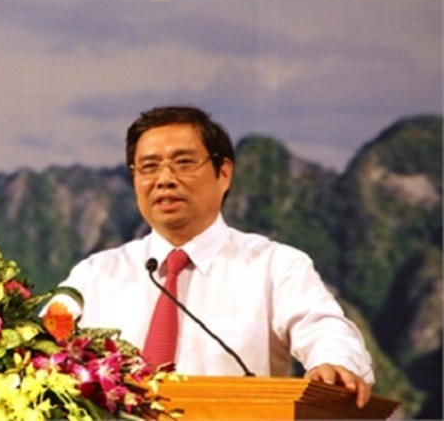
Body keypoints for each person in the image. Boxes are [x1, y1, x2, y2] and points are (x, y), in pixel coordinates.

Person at [52, 105, 374, 407]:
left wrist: (335, 363)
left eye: (184, 163)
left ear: (224, 173)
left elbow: (322, 327)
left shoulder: (275, 267)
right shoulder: (94, 275)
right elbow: (39, 346)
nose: (165, 179)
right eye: (149, 167)